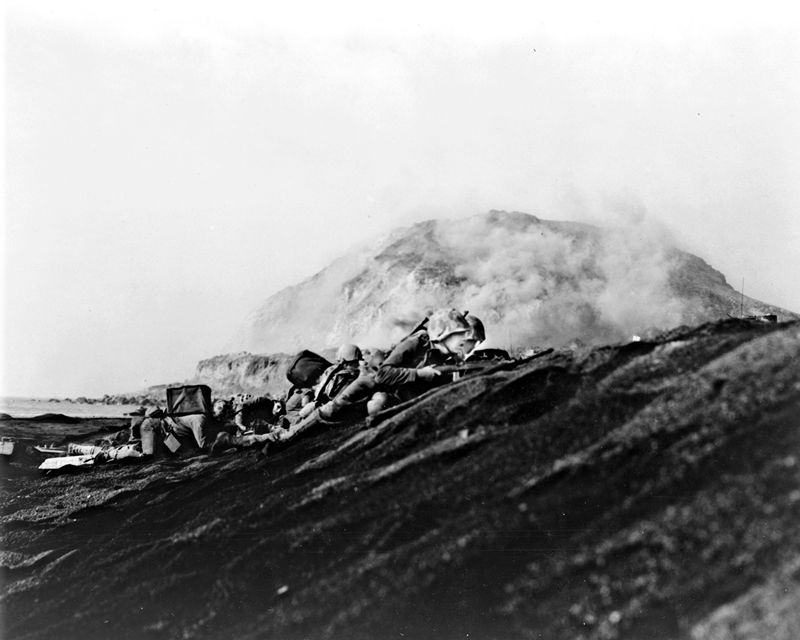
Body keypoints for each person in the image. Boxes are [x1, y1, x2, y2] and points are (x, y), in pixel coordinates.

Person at [270, 309, 484, 444]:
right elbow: (383, 374)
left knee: (377, 404)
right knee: (333, 410)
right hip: (372, 383)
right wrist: (419, 374)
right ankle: (284, 438)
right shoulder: (418, 342)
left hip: (395, 392)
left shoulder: (446, 355)